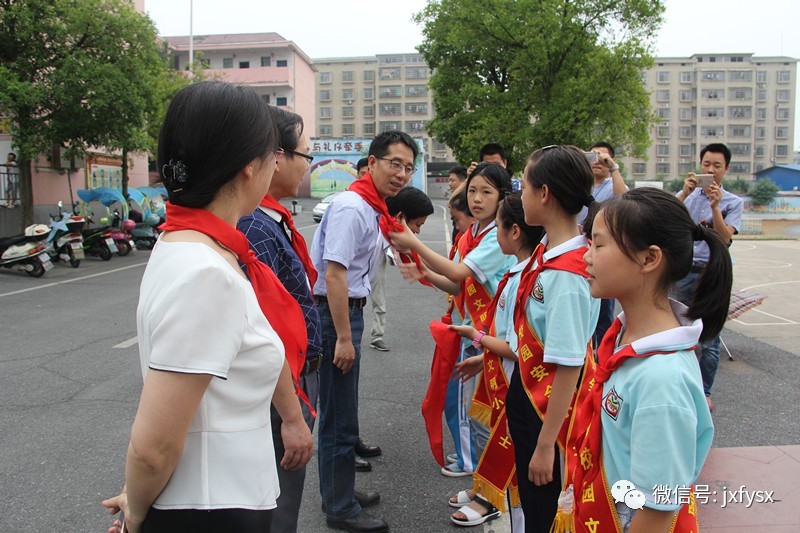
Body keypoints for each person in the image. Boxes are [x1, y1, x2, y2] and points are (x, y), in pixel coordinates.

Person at [101, 81, 313, 533]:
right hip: (212, 508)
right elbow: (153, 445)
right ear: (246, 168)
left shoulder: (188, 245)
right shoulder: (207, 273)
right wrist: (136, 512)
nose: (277, 163)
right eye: (272, 152)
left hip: (212, 496)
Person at [567, 187, 728, 532]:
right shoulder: (625, 337)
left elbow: (656, 510)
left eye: (598, 244)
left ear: (649, 259)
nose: (586, 257)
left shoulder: (662, 379)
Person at [311, 130, 418, 533]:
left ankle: (339, 490)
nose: (402, 174)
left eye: (408, 167)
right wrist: (342, 337)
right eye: (394, 164)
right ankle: (339, 507)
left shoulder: (372, 207)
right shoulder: (353, 207)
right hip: (335, 315)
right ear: (371, 163)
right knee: (339, 417)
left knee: (343, 411)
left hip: (345, 313)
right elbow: (334, 274)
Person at [391, 162, 516, 479]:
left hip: (486, 333)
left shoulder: (494, 238)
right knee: (459, 402)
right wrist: (423, 270)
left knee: (469, 406)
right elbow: (456, 284)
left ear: (502, 197)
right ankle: (472, 459)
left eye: (486, 192)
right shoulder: (471, 234)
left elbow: (459, 273)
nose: (476, 198)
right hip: (467, 329)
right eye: (472, 190)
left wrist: (414, 244)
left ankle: (473, 463)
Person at [236, 107, 321, 533]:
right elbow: (264, 328)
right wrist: (291, 414)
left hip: (291, 376)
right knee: (276, 505)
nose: (310, 165)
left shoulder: (272, 219)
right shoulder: (253, 225)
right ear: (276, 156)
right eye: (306, 155)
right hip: (278, 386)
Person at [510, 145, 599, 532]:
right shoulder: (548, 251)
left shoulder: (567, 274)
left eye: (524, 185)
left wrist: (546, 446)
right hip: (531, 396)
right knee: (532, 503)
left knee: (543, 511)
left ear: (544, 194)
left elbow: (568, 363)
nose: (520, 193)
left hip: (550, 413)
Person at [447, 192, 543, 530]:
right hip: (500, 368)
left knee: (515, 459)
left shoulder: (530, 278)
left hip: (519, 380)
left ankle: (492, 500)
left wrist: (475, 338)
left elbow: (520, 346)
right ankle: (487, 493)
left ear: (514, 231)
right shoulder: (521, 272)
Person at [673, 143, 742, 412]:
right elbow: (665, 216)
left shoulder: (733, 202)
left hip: (714, 272)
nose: (711, 170)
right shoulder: (688, 198)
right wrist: (685, 191)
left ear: (726, 169)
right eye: (706, 165)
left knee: (710, 337)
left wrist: (716, 207)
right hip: (685, 269)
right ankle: (679, 385)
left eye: (717, 166)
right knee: (679, 329)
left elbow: (724, 238)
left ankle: (704, 391)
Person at [579, 142, 629, 349]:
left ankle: (602, 356)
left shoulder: (612, 184)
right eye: (594, 157)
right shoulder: (584, 184)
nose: (598, 162)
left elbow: (624, 198)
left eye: (603, 158)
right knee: (584, 309)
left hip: (601, 252)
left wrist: (613, 167)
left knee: (603, 313)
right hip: (580, 250)